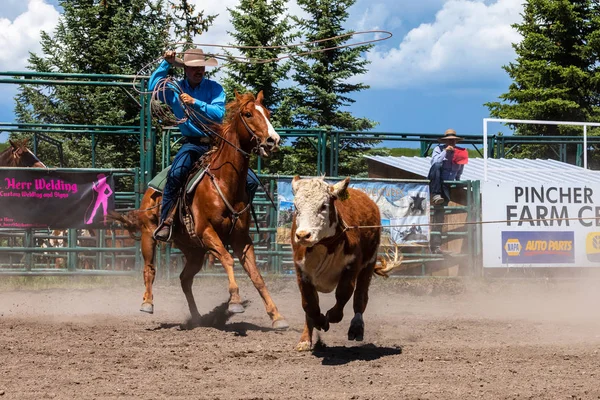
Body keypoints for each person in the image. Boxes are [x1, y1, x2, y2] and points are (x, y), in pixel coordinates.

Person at [149, 48, 260, 242]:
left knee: (251, 181)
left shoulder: (214, 88)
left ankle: (240, 222)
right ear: (185, 69)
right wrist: (166, 63)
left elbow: (218, 114)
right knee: (176, 174)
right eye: (193, 68)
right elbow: (154, 88)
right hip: (192, 144)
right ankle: (167, 222)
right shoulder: (175, 90)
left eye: (201, 67)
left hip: (218, 144)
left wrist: (195, 102)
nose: (198, 70)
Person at [427, 128, 468, 254]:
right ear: (445, 142)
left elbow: (460, 168)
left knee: (439, 215)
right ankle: (435, 194)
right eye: (449, 140)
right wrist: (445, 152)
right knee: (437, 166)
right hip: (436, 183)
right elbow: (434, 162)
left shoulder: (460, 152)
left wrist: (458, 181)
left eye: (453, 140)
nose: (451, 142)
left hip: (447, 185)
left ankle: (435, 246)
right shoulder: (438, 149)